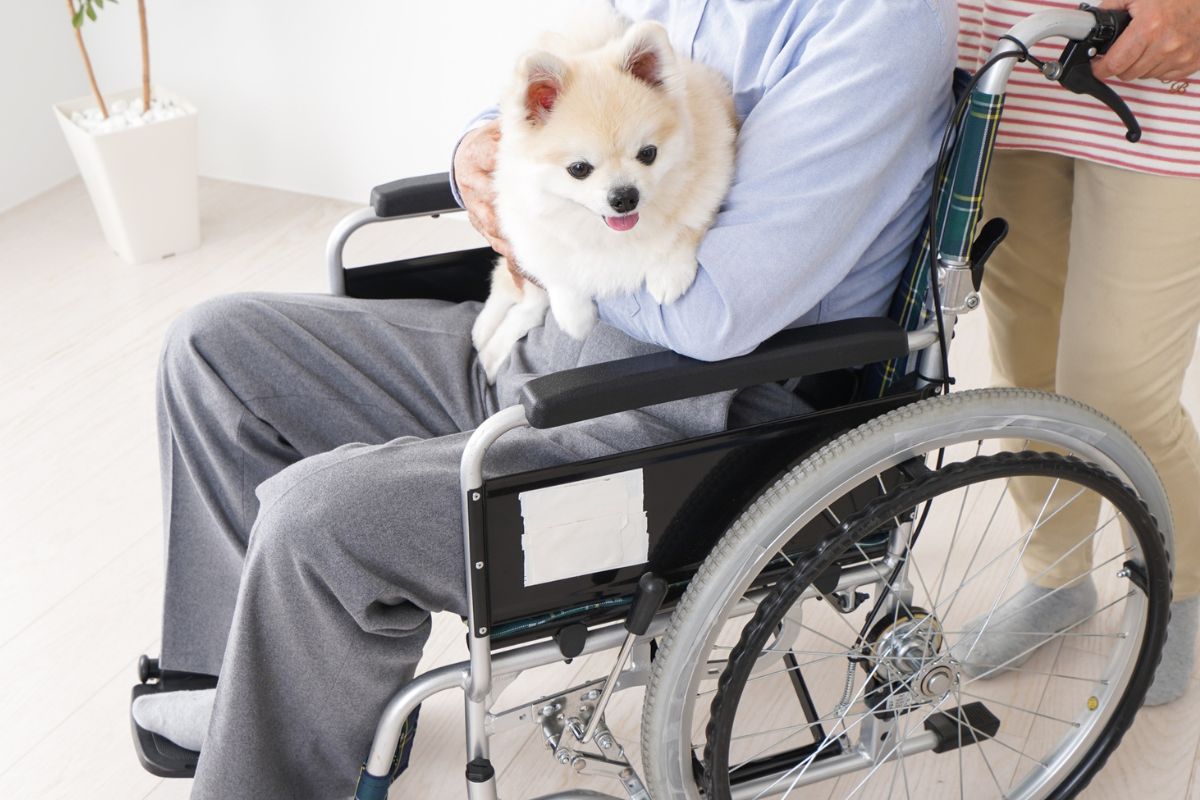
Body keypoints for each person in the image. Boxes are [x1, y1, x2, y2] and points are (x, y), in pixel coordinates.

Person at [131, 1, 956, 796]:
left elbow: (717, 312)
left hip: (682, 419)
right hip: (546, 342)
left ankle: (267, 771)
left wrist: (538, 229)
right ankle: (251, 693)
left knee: (320, 519)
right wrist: (478, 154)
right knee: (213, 347)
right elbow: (551, 99)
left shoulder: (880, 21)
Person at [954, 0, 1200, 705]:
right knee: (1027, 364)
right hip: (1007, 53)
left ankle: (1177, 590)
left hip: (1170, 75)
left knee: (1119, 393)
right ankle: (1054, 576)